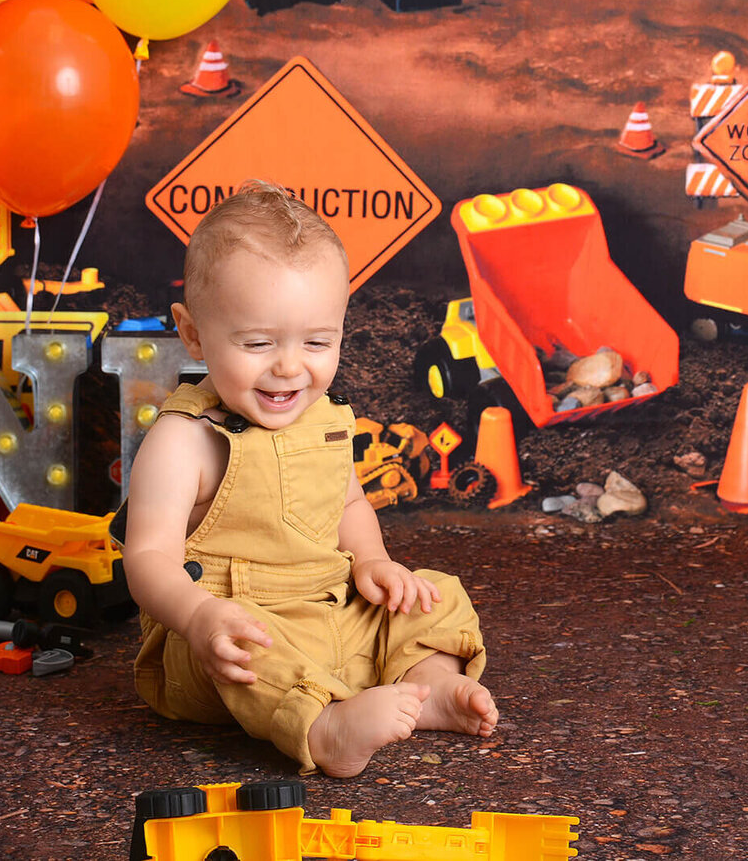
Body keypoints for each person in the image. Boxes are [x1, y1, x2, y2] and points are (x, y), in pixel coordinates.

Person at [124, 180, 497, 777]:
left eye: (318, 342)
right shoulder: (183, 440)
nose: (290, 366)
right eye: (258, 342)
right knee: (249, 650)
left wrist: (374, 562)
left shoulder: (325, 422)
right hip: (228, 642)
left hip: (329, 612)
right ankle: (321, 730)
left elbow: (347, 502)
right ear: (193, 333)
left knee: (433, 592)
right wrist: (197, 618)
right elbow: (145, 557)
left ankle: (427, 688)